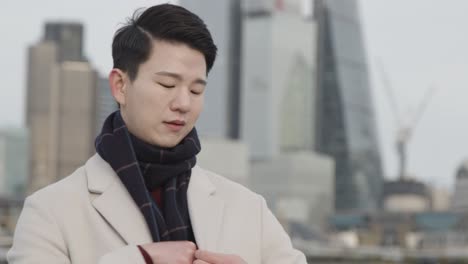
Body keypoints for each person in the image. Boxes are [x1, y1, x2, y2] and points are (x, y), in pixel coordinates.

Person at [8, 4, 307, 264]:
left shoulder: (249, 209)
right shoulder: (50, 212)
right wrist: (139, 260)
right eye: (167, 85)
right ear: (120, 86)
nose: (183, 103)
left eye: (196, 89)